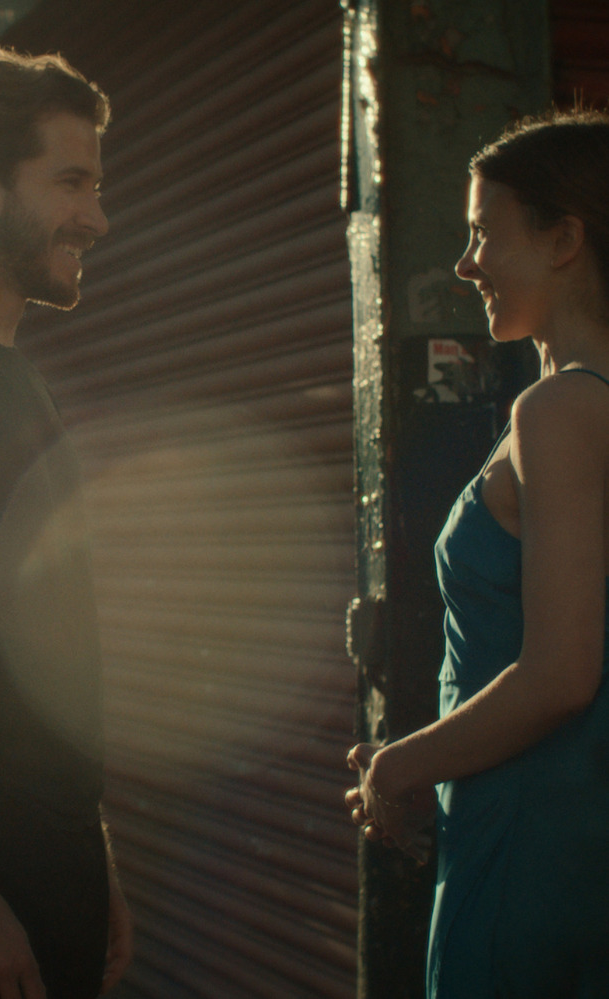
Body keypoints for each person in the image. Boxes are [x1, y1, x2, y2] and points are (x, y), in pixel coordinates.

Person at [346, 107, 609, 999]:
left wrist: (398, 762)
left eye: (481, 232)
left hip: (535, 840)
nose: (463, 264)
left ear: (564, 237)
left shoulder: (562, 411)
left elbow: (561, 673)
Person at [0, 46, 133, 998]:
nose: (95, 216)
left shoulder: (17, 377)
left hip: (45, 871)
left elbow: (42, 648)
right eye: (69, 181)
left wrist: (92, 854)